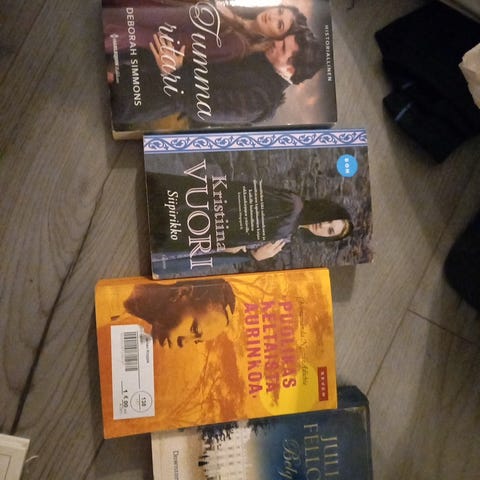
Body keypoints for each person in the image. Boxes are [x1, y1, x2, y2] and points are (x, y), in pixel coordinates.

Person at [109, 27, 324, 130]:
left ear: (290, 70)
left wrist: (173, 71)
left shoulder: (262, 102)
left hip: (144, 96)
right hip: (143, 62)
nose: (276, 42)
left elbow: (200, 108)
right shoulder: (265, 56)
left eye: (283, 47)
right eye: (283, 40)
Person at [146, 173, 353, 273]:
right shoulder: (293, 205)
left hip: (207, 230)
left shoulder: (291, 233)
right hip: (205, 214)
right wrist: (243, 248)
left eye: (330, 231)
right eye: (328, 219)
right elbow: (242, 204)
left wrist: (252, 254)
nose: (323, 225)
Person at [104, 2, 308, 68]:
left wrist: (135, 33)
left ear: (276, 38)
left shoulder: (237, 44)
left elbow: (184, 47)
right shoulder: (238, 14)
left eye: (279, 24)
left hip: (137, 30)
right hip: (145, 10)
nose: (272, 17)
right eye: (279, 11)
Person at [115, 278, 236, 348]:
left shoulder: (119, 314)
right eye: (195, 329)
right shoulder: (115, 296)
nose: (183, 343)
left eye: (196, 341)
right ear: (183, 291)